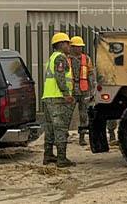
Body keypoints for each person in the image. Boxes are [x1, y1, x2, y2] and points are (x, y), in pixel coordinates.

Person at [41, 32, 76, 167]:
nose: (69, 46)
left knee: (49, 127)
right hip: (57, 98)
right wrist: (66, 94)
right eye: (67, 43)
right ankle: (62, 159)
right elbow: (60, 77)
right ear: (61, 44)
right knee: (60, 128)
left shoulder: (52, 57)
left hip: (49, 97)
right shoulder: (61, 58)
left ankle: (48, 155)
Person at [69, 36, 96, 146]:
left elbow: (91, 74)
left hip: (84, 90)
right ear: (72, 47)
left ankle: (82, 137)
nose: (79, 49)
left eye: (80, 47)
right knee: (68, 114)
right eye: (77, 47)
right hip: (71, 91)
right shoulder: (66, 59)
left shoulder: (87, 59)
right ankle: (64, 136)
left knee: (84, 115)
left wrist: (92, 90)